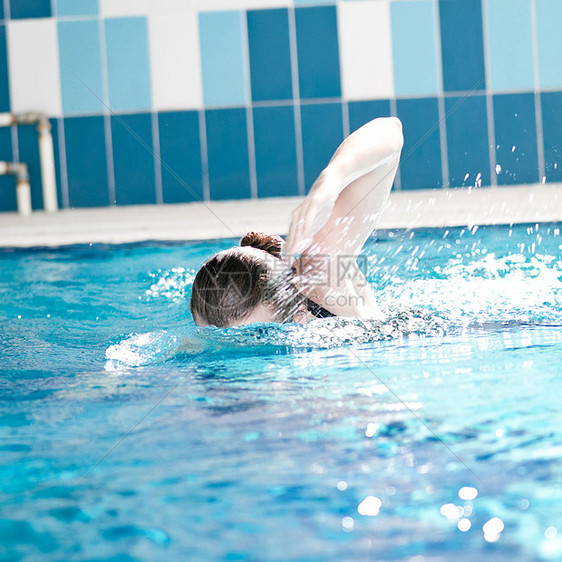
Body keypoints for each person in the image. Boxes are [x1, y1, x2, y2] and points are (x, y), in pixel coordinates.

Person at [190, 116, 404, 327]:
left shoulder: (321, 280)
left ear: (298, 311)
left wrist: (332, 179)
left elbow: (391, 130)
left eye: (260, 334)